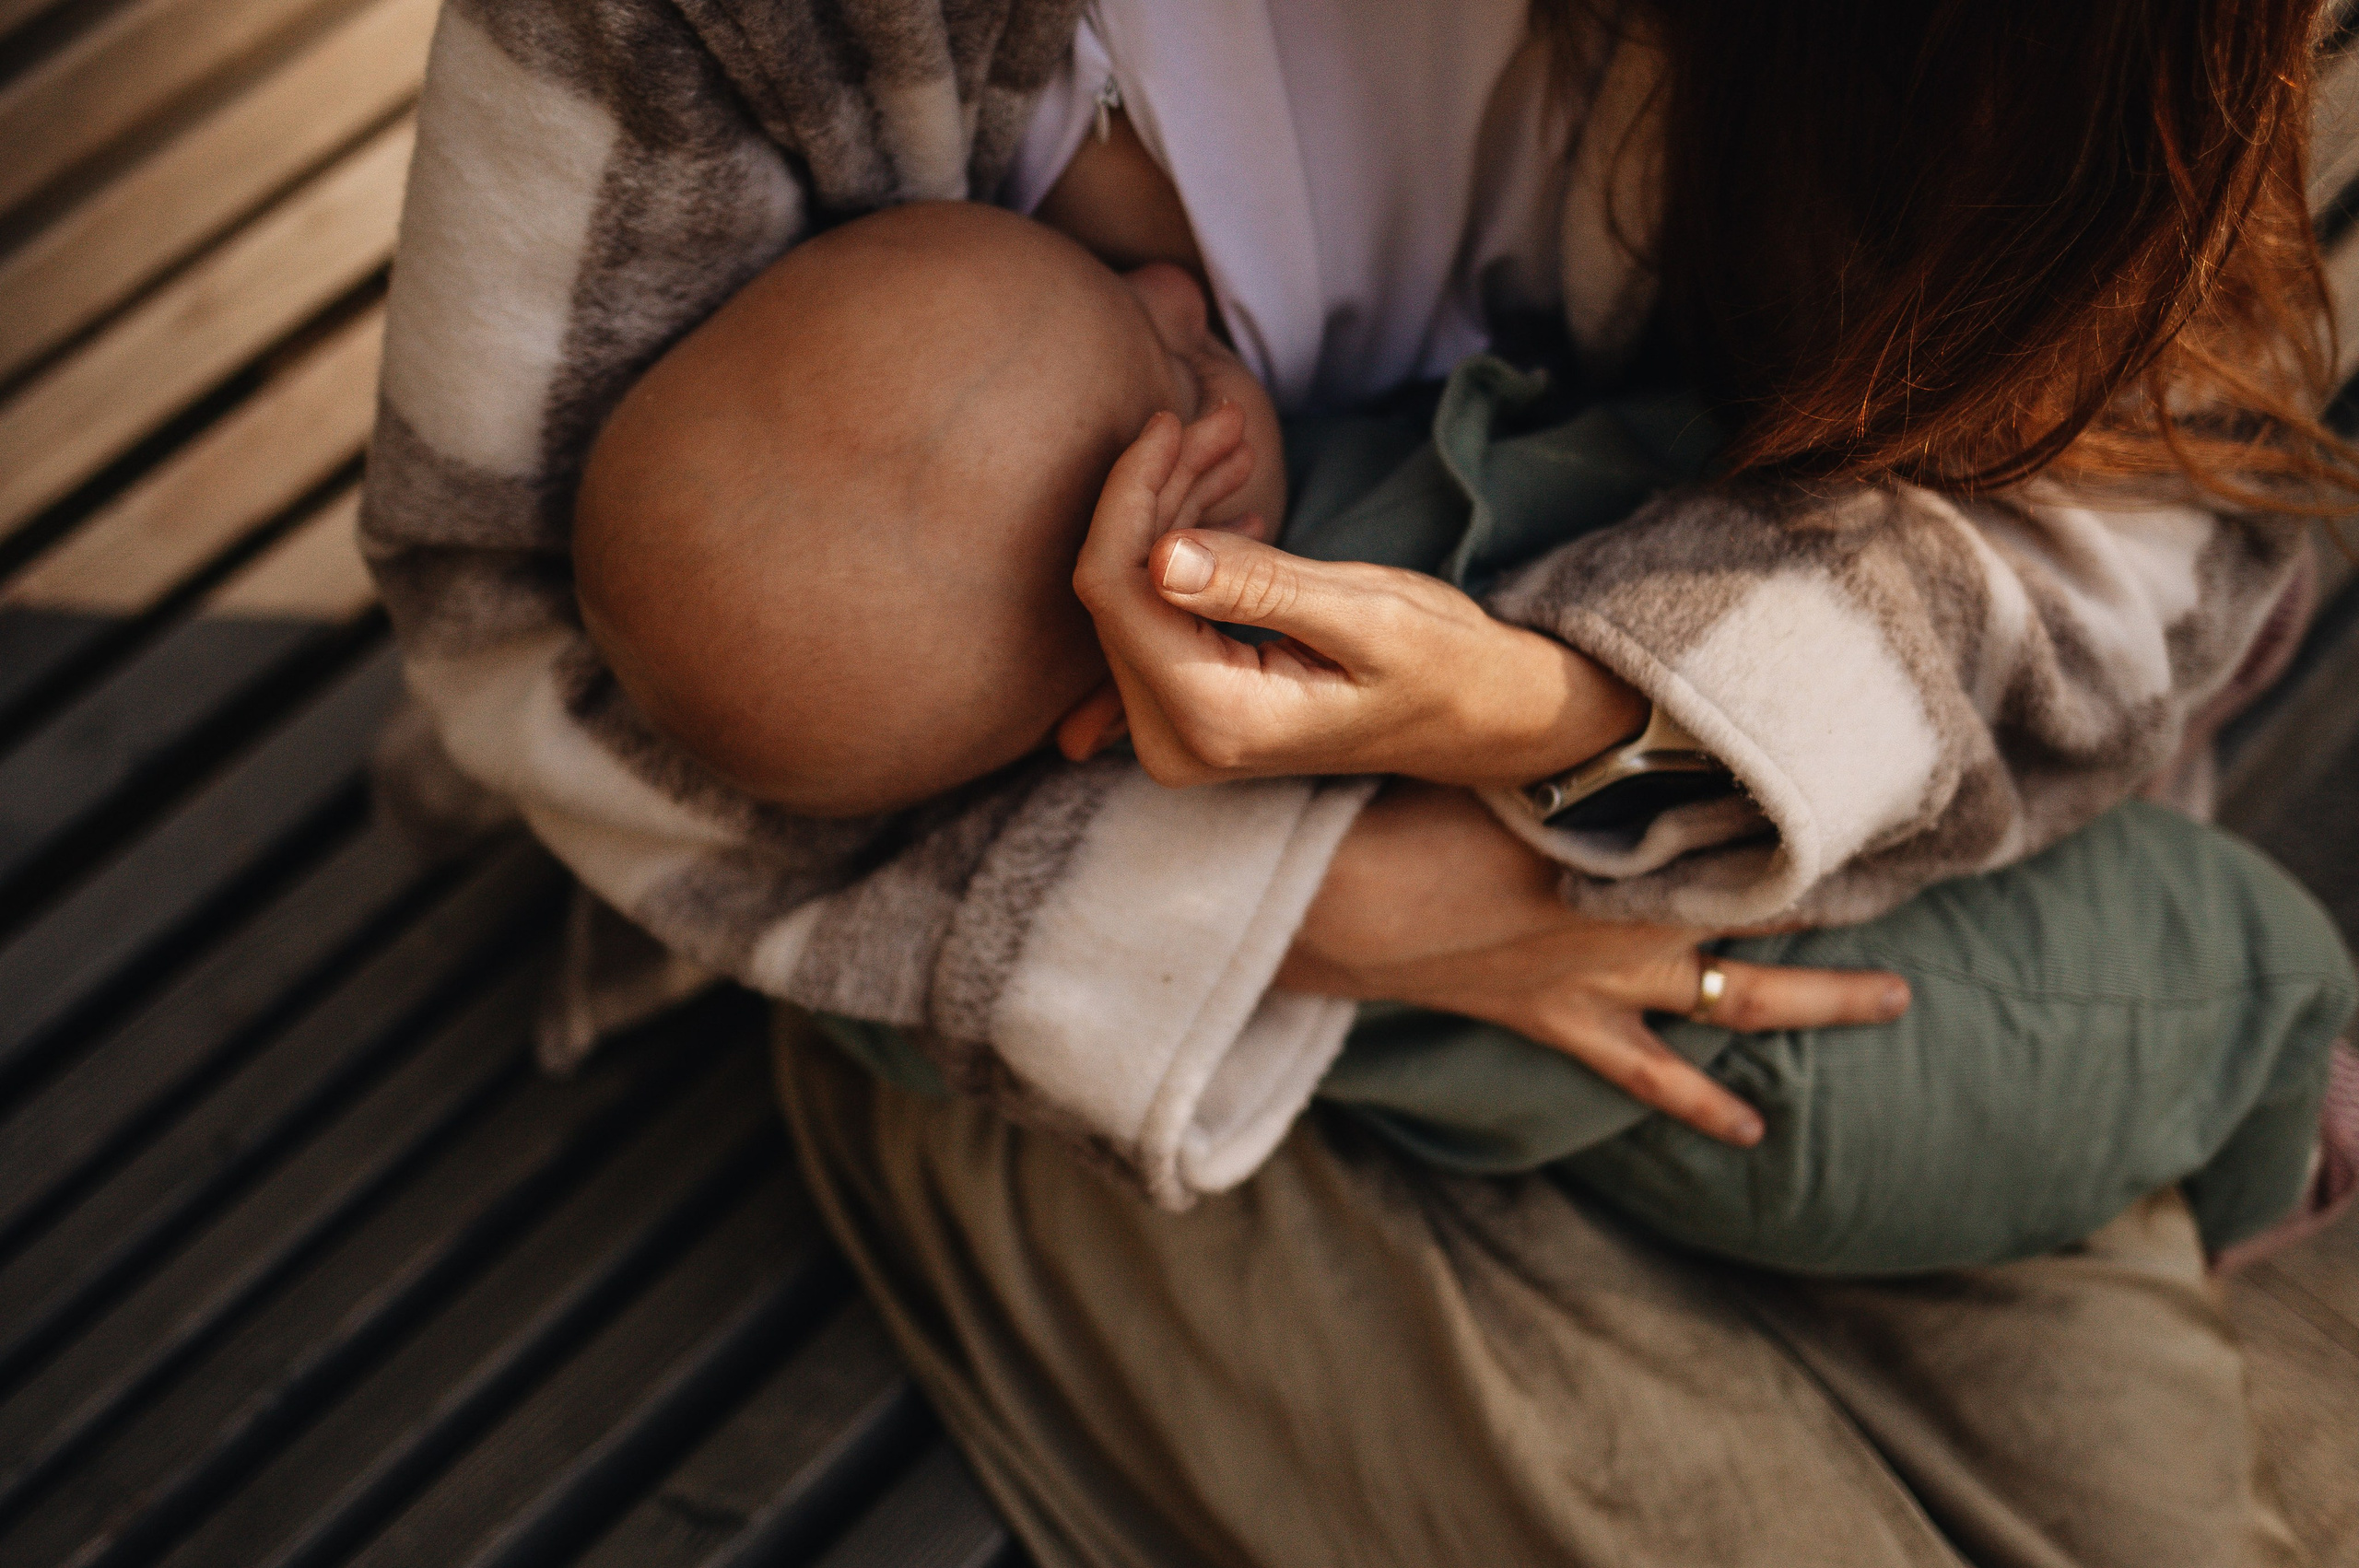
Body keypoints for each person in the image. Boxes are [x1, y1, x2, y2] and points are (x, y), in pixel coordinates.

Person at [361, 0, 2356, 1560]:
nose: (1173, 316)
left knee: (2149, 1507)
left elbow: (2140, 497)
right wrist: (1308, 910)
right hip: (1018, 978)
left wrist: (1571, 719)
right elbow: (536, 620)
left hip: (1859, 858)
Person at [574, 197, 2354, 1274]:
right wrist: (1507, 741)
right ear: (1117, 682)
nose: (1191, 298)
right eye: (1160, 363)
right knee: (2226, 975)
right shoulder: (1397, 519)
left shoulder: (954, 978)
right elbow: (1700, 497)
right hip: (1817, 1066)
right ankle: (2279, 1132)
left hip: (1709, 1032)